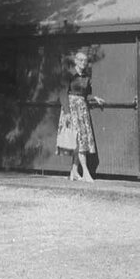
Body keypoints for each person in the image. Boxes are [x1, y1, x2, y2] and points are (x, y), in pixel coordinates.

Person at [57, 49, 105, 182]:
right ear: (75, 61)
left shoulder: (86, 77)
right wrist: (66, 112)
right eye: (81, 60)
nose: (83, 63)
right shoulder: (69, 75)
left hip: (82, 109)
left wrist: (94, 98)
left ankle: (74, 172)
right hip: (71, 109)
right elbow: (62, 93)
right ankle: (85, 172)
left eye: (85, 61)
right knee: (78, 141)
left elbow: (85, 95)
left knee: (80, 140)